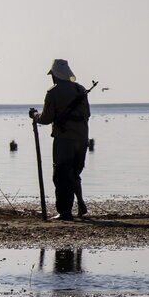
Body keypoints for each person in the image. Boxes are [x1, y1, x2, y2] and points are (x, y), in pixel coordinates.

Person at [29, 59, 91, 220]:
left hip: (64, 139)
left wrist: (34, 116)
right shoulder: (80, 89)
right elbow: (87, 114)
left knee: (62, 175)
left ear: (55, 75)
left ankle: (64, 212)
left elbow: (46, 118)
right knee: (74, 173)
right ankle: (80, 204)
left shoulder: (53, 92)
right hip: (82, 138)